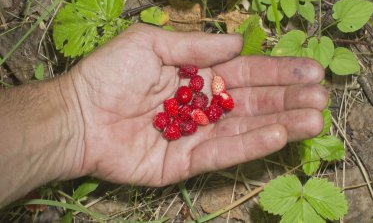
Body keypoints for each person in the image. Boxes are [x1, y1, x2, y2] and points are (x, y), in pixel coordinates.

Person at [0, 24, 327, 208]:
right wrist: (77, 109)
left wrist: (75, 114)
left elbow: (197, 103)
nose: (189, 99)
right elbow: (190, 104)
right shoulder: (186, 103)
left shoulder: (193, 100)